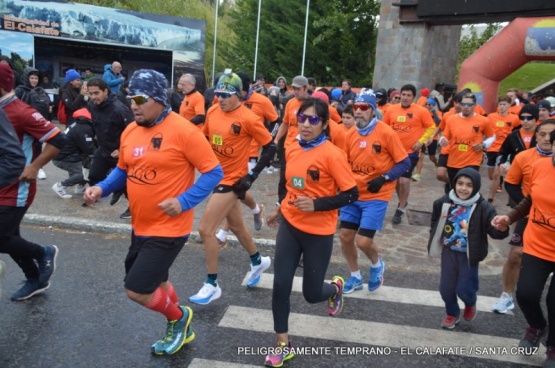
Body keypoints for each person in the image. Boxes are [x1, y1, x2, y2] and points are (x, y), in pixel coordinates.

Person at [83, 69, 223, 355]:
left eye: (140, 98)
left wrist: (184, 202)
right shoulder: (131, 130)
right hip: (141, 225)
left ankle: (179, 318)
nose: (133, 104)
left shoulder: (185, 131)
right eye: (130, 96)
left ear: (158, 99)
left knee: (137, 289)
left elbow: (213, 173)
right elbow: (123, 169)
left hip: (169, 228)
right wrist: (102, 188)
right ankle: (178, 316)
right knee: (158, 282)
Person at [264, 97, 358, 367]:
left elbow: (351, 193)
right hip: (291, 225)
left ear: (324, 124)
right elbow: (292, 187)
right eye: (301, 118)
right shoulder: (291, 146)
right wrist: (280, 209)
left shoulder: (332, 154)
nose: (305, 124)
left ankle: (334, 289)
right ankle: (283, 344)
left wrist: (317, 205)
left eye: (313, 119)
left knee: (311, 294)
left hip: (319, 232)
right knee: (280, 285)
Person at [190, 72, 276, 305]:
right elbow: (206, 139)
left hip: (233, 181)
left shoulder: (249, 118)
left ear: (239, 95)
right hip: (215, 176)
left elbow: (270, 148)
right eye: (218, 94)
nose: (220, 99)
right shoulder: (213, 111)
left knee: (206, 229)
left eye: (226, 95)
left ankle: (212, 284)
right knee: (237, 226)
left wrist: (251, 176)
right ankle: (258, 261)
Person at [0, 63, 64, 301]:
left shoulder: (21, 111)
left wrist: (35, 166)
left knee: (3, 238)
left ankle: (44, 252)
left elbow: (59, 139)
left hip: (16, 188)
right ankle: (35, 279)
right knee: (10, 237)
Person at [491, 129, 555, 367]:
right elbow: (530, 200)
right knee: (526, 294)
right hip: (538, 244)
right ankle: (537, 326)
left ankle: (553, 348)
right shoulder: (540, 167)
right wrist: (509, 217)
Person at [339, 89, 410, 294]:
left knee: (363, 241)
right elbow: (344, 163)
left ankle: (377, 265)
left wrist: (384, 178)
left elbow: (404, 163)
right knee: (345, 236)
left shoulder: (386, 132)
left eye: (364, 108)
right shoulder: (350, 134)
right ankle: (355, 276)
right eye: (356, 107)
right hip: (353, 194)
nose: (359, 111)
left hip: (376, 196)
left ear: (372, 110)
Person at [428, 168, 508, 330]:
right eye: (460, 184)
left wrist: (501, 228)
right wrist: (435, 237)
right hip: (449, 252)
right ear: (454, 184)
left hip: (469, 255)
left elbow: (494, 230)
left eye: (469, 185)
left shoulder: (483, 207)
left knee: (465, 288)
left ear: (476, 187)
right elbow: (435, 222)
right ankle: (452, 313)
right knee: (445, 288)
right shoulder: (443, 202)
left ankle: (470, 302)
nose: (463, 188)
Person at [215, 71, 278, 246]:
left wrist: (270, 138)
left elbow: (275, 120)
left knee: (235, 190)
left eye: (238, 93)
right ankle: (257, 209)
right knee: (237, 192)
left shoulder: (262, 101)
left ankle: (221, 234)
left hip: (249, 153)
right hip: (226, 155)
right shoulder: (223, 101)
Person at [383, 84, 435, 224]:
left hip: (410, 152)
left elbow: (431, 127)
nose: (405, 98)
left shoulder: (421, 111)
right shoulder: (391, 110)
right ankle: (403, 202)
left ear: (413, 97)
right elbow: (384, 128)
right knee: (395, 181)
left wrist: (421, 141)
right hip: (392, 151)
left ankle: (400, 209)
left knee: (404, 180)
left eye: (408, 95)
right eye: (403, 95)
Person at [86, 77, 134, 218]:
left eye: (96, 93)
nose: (93, 97)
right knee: (94, 176)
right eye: (90, 93)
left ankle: (131, 208)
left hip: (119, 152)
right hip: (103, 149)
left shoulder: (119, 108)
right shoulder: (91, 105)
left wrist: (122, 150)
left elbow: (133, 130)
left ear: (105, 91)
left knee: (130, 184)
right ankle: (116, 188)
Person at [439, 93, 494, 187]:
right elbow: (445, 137)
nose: (465, 107)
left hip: (472, 160)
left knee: (467, 186)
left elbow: (492, 137)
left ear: (475, 105)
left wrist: (484, 145)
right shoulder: (451, 119)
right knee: (454, 187)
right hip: (454, 160)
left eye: (469, 104)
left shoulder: (483, 120)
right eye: (463, 104)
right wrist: (442, 140)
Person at [51, 108, 96, 199]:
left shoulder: (79, 124)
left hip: (65, 155)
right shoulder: (84, 128)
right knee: (86, 172)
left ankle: (80, 187)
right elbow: (89, 149)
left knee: (85, 167)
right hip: (64, 157)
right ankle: (60, 186)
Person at [485, 96, 520, 204]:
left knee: (496, 173)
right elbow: (485, 129)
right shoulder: (491, 117)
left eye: (504, 104)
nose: (502, 107)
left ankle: (491, 199)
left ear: (509, 106)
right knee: (491, 175)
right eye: (500, 104)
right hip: (491, 148)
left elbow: (518, 132)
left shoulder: (514, 118)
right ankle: (498, 182)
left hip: (504, 149)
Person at [413, 97, 442, 181]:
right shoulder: (422, 112)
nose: (428, 106)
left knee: (431, 157)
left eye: (430, 104)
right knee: (420, 156)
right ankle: (417, 174)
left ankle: (436, 164)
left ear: (433, 105)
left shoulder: (438, 113)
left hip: (433, 137)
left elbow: (439, 123)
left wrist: (433, 112)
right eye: (426, 104)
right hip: (423, 137)